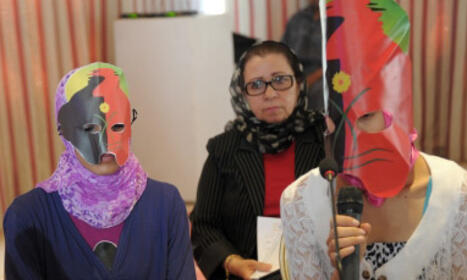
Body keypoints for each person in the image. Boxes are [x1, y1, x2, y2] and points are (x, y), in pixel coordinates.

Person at [280, 1, 467, 279]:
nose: (350, 139)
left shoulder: (463, 196)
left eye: (366, 115)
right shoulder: (300, 203)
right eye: (335, 120)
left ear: (398, 106)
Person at [3, 62, 196, 279]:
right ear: (63, 130)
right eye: (90, 128)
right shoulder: (29, 216)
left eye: (117, 126)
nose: (106, 143)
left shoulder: (166, 205)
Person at [190, 41, 326, 280]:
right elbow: (203, 225)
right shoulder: (224, 149)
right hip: (249, 274)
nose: (270, 93)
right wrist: (233, 262)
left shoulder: (324, 138)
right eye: (256, 85)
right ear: (243, 94)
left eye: (280, 80)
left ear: (299, 84)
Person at [281, 0, 323, 111]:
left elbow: (338, 60)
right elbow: (282, 54)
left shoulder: (335, 19)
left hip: (321, 74)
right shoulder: (296, 19)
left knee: (320, 91)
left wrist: (307, 81)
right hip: (294, 73)